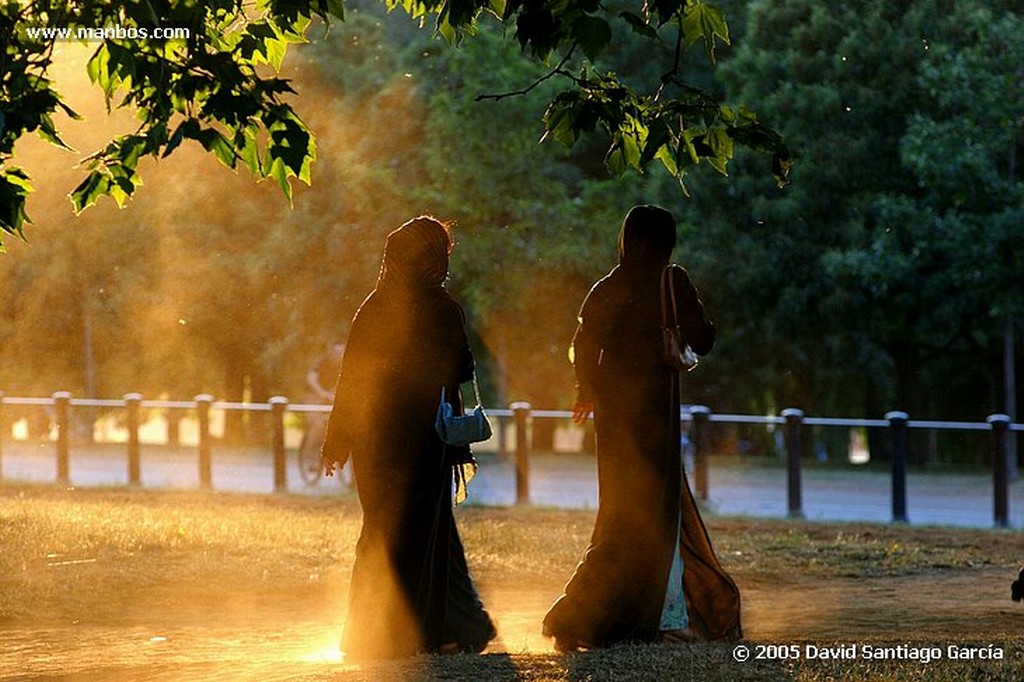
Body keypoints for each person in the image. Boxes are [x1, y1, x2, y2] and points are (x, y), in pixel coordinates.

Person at [542, 204, 741, 651]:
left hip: (615, 419)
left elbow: (582, 342)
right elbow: (703, 339)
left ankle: (589, 613)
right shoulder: (673, 281)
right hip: (655, 415)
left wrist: (586, 391)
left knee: (619, 513)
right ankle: (642, 613)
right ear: (667, 241)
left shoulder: (606, 287)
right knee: (653, 512)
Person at [320, 216, 497, 660]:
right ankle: (425, 631)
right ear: (434, 259)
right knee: (422, 533)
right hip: (424, 441)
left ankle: (374, 634)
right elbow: (462, 371)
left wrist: (336, 441)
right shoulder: (443, 310)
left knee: (381, 532)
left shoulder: (372, 307)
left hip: (373, 442)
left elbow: (352, 381)